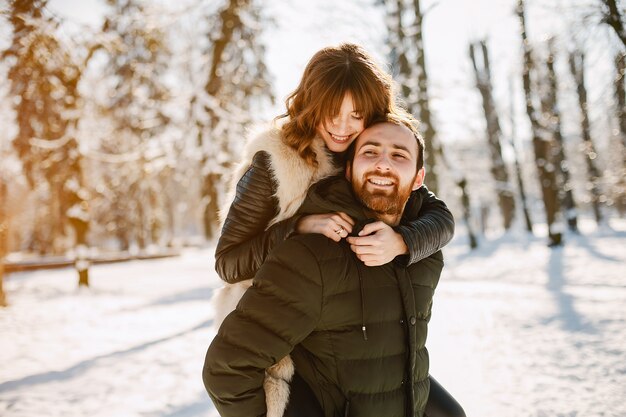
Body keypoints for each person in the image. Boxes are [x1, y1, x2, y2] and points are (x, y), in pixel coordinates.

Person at [212, 43, 463, 417]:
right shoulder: (275, 162)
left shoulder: (372, 151)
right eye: (331, 112)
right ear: (310, 103)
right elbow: (227, 262)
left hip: (346, 322)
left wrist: (402, 241)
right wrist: (298, 227)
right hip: (280, 327)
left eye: (356, 114)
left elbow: (439, 217)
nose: (342, 126)